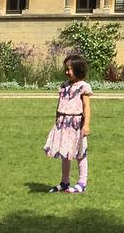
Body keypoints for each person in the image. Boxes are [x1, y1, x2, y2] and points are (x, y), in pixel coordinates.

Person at [44, 54, 92, 194]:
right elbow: (60, 104)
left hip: (76, 124)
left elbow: (86, 107)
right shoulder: (63, 86)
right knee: (65, 152)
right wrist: (57, 120)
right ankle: (64, 182)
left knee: (80, 153)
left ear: (78, 69)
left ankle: (82, 183)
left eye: (69, 69)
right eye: (65, 69)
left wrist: (86, 125)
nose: (66, 72)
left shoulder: (84, 87)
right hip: (63, 124)